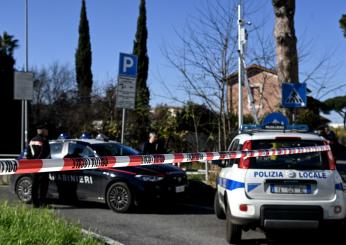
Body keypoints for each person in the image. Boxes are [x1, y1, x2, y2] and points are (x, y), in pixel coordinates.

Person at [27, 122, 51, 207]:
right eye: (46, 130)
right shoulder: (44, 140)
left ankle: (35, 203)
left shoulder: (32, 140)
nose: (47, 131)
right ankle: (42, 203)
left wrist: (31, 163)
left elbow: (28, 154)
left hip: (33, 166)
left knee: (35, 185)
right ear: (43, 131)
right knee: (43, 185)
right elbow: (46, 154)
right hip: (43, 166)